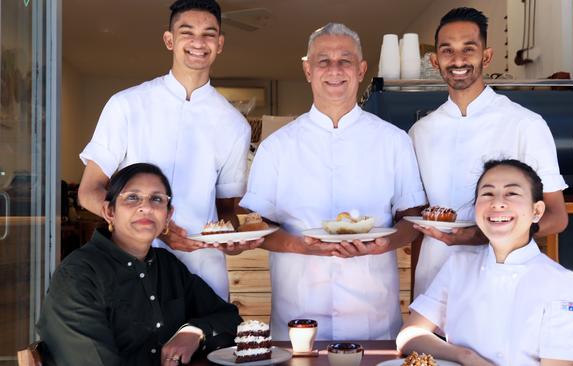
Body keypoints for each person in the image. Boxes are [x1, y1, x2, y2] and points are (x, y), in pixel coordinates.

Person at [239, 23, 427, 340]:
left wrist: (387, 242)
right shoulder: (277, 146)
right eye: (323, 60)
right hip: (296, 319)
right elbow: (259, 227)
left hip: (374, 320)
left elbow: (412, 219)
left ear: (361, 69)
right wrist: (301, 246)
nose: (335, 69)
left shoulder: (393, 142)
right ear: (307, 70)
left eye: (346, 60)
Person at [77, 0, 259, 300]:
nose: (198, 42)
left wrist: (235, 237)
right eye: (187, 32)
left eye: (209, 34)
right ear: (169, 40)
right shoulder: (127, 105)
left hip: (202, 272)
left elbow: (226, 210)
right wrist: (151, 227)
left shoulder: (234, 124)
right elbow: (89, 191)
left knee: (207, 345)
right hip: (131, 264)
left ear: (220, 43)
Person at [409, 7, 569, 297]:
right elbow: (420, 224)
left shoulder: (525, 124)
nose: (458, 60)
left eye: (468, 49)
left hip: (501, 287)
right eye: (447, 51)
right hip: (433, 287)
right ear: (435, 61)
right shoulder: (420, 132)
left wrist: (481, 235)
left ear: (486, 56)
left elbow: (557, 216)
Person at [397, 159, 573, 366]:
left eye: (512, 193)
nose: (497, 203)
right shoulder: (458, 266)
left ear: (537, 211)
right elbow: (409, 335)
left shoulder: (563, 284)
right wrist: (466, 357)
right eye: (487, 194)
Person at [37, 163, 242, 366]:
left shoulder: (167, 266)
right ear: (109, 212)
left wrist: (194, 331)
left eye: (157, 199)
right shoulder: (79, 276)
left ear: (168, 216)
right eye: (132, 197)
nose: (146, 207)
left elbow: (229, 317)